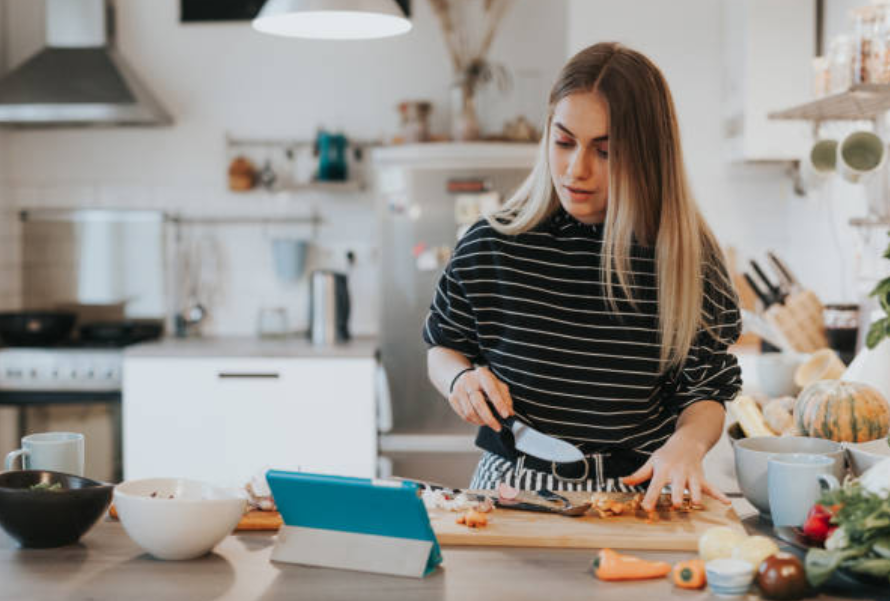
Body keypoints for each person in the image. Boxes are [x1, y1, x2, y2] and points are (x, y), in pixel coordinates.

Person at [422, 42, 742, 512]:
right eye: (564, 141)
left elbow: (706, 391)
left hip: (638, 493)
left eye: (606, 151)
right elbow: (444, 347)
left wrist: (688, 445)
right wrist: (459, 379)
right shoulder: (493, 243)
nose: (577, 170)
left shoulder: (688, 260)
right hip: (511, 487)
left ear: (650, 155)